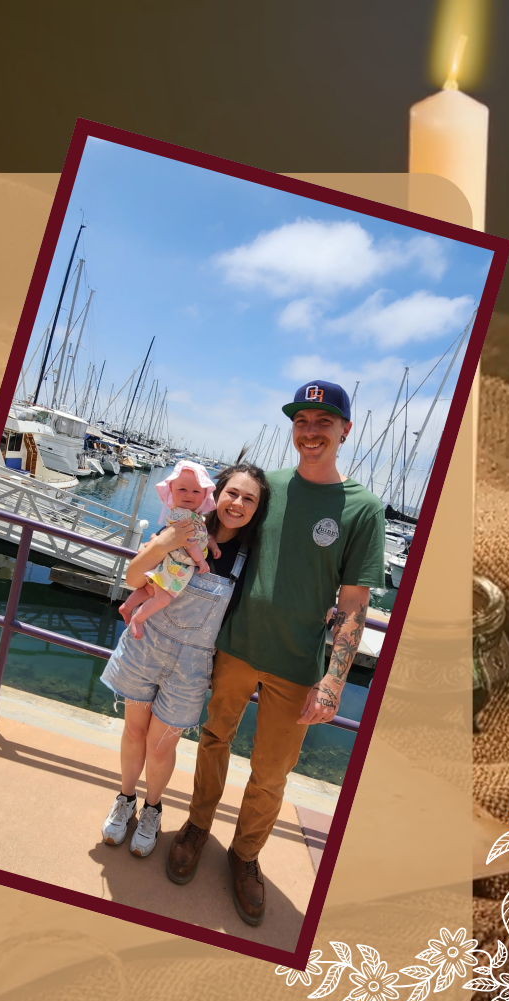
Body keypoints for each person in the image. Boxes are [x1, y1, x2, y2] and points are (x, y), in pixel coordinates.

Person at [165, 380, 387, 928]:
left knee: (270, 772)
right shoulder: (268, 488)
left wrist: (335, 679)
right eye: (302, 421)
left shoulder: (363, 509)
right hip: (235, 645)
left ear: (344, 431)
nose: (310, 432)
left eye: (323, 423)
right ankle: (197, 825)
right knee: (214, 739)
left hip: (297, 664)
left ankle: (244, 858)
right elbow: (214, 534)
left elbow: (355, 603)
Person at [97, 462, 269, 859]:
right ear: (216, 493)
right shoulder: (184, 528)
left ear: (257, 509)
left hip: (191, 665)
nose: (238, 503)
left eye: (249, 499)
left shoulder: (250, 560)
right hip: (147, 644)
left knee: (160, 747)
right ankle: (125, 799)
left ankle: (152, 809)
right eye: (232, 493)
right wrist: (162, 543)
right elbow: (131, 578)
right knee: (134, 733)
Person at [117, 461, 222, 638]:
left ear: (204, 495)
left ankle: (127, 607)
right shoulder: (181, 515)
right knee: (163, 598)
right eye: (182, 490)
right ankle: (138, 619)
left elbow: (203, 536)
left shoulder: (195, 517)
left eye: (196, 491)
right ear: (171, 490)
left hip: (170, 564)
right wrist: (200, 560)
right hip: (173, 565)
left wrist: (212, 544)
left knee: (149, 590)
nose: (189, 495)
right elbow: (190, 542)